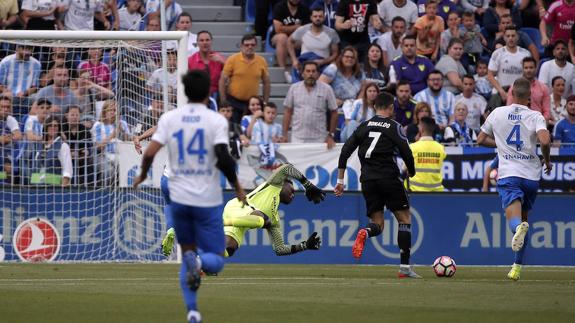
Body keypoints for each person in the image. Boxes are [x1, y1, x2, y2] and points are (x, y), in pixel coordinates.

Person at [133, 70, 246, 322]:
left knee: (187, 254)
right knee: (214, 259)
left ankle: (192, 311)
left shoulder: (170, 118)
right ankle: (200, 266)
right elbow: (224, 158)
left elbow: (150, 152)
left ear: (184, 91)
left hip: (177, 193)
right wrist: (237, 187)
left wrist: (141, 175)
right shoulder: (216, 121)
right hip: (205, 196)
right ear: (209, 92)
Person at [334, 92, 420, 279]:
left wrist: (340, 181)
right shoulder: (395, 126)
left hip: (367, 180)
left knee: (377, 224)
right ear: (391, 107)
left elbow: (345, 151)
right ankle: (405, 268)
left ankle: (365, 231)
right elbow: (407, 152)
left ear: (374, 107)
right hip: (389, 178)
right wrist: (411, 171)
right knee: (404, 220)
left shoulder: (363, 126)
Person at [477, 77, 552, 281]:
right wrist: (547, 160)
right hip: (531, 177)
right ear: (529, 96)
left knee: (515, 223)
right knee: (525, 221)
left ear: (511, 93)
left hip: (510, 174)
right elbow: (545, 140)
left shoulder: (498, 113)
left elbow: (480, 140)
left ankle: (518, 229)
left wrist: (501, 145)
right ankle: (516, 267)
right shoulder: (535, 115)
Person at [223, 162, 324, 257]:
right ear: (283, 183)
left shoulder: (274, 218)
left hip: (239, 222)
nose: (293, 195)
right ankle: (221, 222)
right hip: (239, 206)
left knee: (230, 249)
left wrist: (304, 246)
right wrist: (308, 185)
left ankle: (208, 258)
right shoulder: (274, 185)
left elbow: (280, 249)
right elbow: (287, 168)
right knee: (264, 219)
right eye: (292, 190)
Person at [284, 61, 338, 147]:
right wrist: (285, 134)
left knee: (318, 161)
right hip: (298, 137)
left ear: (318, 74)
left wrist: (331, 135)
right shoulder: (294, 88)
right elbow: (288, 111)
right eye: (308, 71)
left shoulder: (327, 89)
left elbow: (334, 112)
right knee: (297, 161)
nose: (311, 74)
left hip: (319, 138)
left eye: (313, 71)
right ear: (302, 73)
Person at [219, 34, 271, 124]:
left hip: (252, 104)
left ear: (256, 46)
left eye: (252, 45)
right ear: (242, 46)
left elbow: (266, 83)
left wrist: (265, 103)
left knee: (250, 132)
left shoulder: (262, 61)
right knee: (234, 130)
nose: (250, 47)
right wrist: (223, 101)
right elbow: (222, 80)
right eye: (247, 45)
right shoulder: (232, 59)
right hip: (233, 102)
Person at [288, 6, 339, 80]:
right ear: (311, 18)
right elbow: (289, 41)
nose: (317, 18)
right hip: (304, 63)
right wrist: (294, 59)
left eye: (320, 16)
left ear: (324, 18)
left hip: (322, 64)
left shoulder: (331, 33)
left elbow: (335, 53)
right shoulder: (303, 29)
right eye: (315, 16)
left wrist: (323, 61)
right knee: (296, 66)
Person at [487, 26, 531, 105]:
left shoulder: (525, 54)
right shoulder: (497, 54)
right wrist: (501, 92)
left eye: (513, 36)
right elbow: (490, 75)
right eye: (508, 36)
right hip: (501, 93)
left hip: (519, 93)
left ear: (517, 37)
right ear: (504, 38)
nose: (511, 38)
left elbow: (529, 75)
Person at [271, 0, 310, 83]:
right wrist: (297, 27)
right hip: (277, 38)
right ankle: (283, 71)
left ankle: (303, 70)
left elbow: (306, 30)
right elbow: (278, 29)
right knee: (283, 37)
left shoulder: (305, 9)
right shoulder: (279, 7)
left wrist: (287, 29)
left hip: (296, 40)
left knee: (307, 39)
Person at [29, 116, 73, 187]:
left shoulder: (63, 146)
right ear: (46, 127)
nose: (53, 128)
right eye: (50, 125)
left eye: (55, 126)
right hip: (36, 188)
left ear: (59, 128)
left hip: (53, 189)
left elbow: (67, 170)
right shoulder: (39, 145)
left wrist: (62, 188)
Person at [406, 116, 446, 192]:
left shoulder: (412, 148)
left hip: (415, 192)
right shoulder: (441, 148)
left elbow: (405, 169)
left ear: (421, 129)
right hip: (437, 192)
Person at [506, 57, 551, 122]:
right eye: (526, 68)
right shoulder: (514, 87)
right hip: (518, 122)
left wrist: (540, 123)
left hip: (537, 122)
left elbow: (547, 111)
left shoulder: (543, 88)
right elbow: (509, 108)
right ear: (523, 69)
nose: (528, 70)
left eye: (531, 67)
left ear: (536, 68)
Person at [188, 31, 226, 98]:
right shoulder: (190, 60)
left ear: (211, 41)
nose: (205, 43)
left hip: (217, 96)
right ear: (197, 43)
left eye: (207, 40)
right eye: (201, 40)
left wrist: (223, 62)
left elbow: (232, 73)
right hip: (197, 96)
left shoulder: (219, 58)